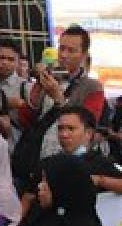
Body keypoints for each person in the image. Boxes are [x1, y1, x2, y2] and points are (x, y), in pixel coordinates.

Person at [14, 26, 107, 182]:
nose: (64, 55)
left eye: (71, 51)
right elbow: (24, 120)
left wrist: (58, 97)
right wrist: (38, 86)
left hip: (68, 163)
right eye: (62, 48)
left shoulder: (92, 87)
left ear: (84, 55)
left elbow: (88, 125)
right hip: (36, 158)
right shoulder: (48, 78)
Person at [22, 105, 122, 200]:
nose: (64, 134)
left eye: (71, 129)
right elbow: (28, 196)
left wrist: (100, 181)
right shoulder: (48, 163)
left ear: (88, 133)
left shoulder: (102, 163)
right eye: (60, 129)